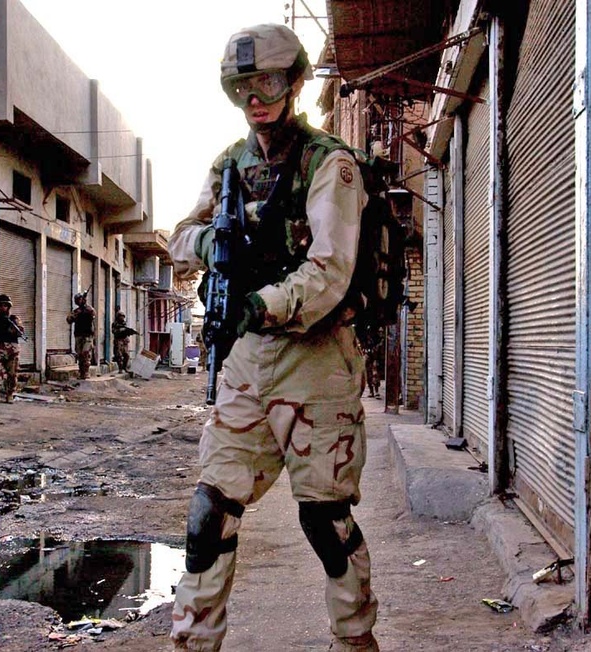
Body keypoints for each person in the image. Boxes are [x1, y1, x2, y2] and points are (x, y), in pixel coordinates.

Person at [167, 24, 379, 652]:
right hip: (247, 361)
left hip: (315, 359)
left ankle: (355, 641)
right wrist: (217, 243)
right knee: (209, 512)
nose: (255, 98)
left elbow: (330, 271)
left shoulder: (329, 163)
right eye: (242, 87)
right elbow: (180, 236)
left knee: (324, 519)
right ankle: (193, 643)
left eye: (266, 82)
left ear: (293, 83)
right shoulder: (229, 165)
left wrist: (261, 304)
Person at [66, 293, 95, 380]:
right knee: (79, 354)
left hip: (88, 335)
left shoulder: (89, 309)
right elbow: (69, 320)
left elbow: (93, 314)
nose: (79, 301)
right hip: (78, 335)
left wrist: (85, 307)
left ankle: (86, 372)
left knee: (85, 352)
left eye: (80, 299)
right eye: (78, 300)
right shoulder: (76, 311)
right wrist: (75, 314)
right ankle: (81, 372)